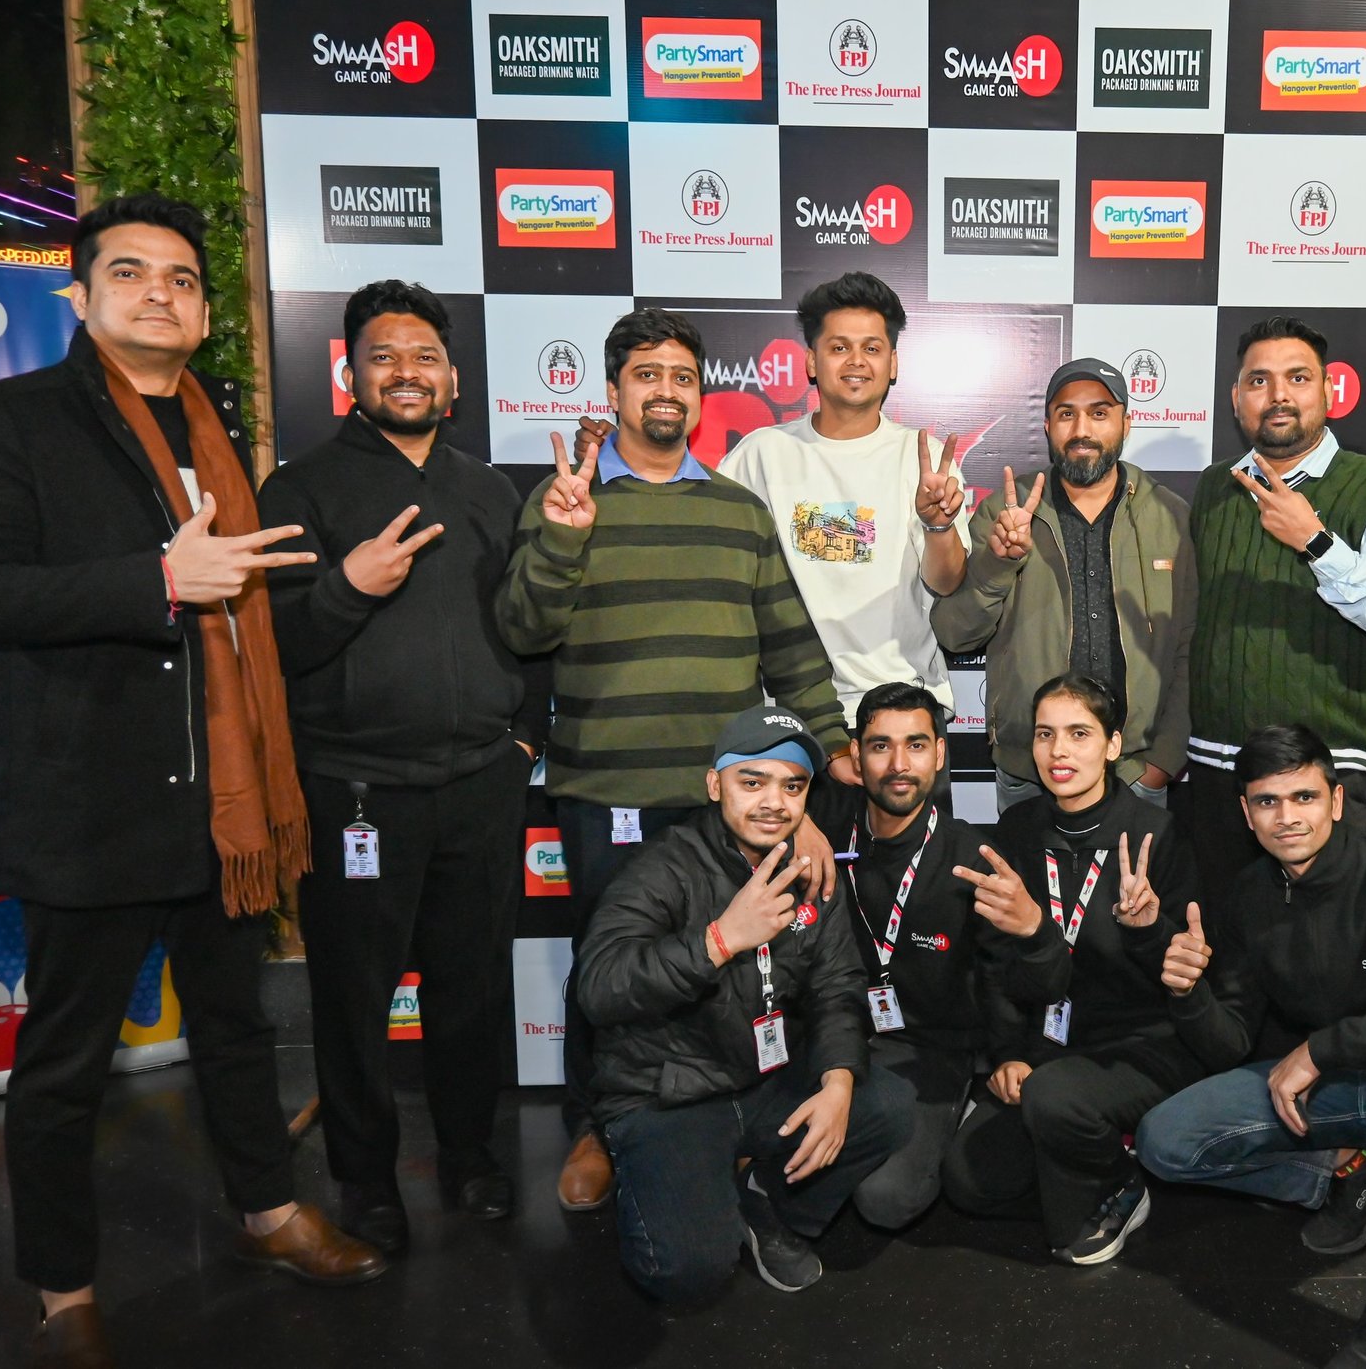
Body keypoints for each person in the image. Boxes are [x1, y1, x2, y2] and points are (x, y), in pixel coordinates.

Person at [0, 193, 385, 1363]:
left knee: (237, 1027)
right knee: (63, 1066)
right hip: (92, 801)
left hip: (223, 804)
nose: (160, 291)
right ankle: (63, 1287)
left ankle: (268, 1212)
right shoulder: (12, 419)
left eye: (182, 278)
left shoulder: (215, 426)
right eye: (131, 271)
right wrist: (158, 579)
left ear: (204, 314)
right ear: (79, 295)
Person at [496, 306, 848, 1214]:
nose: (665, 391)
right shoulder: (567, 499)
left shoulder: (738, 512)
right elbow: (523, 631)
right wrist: (565, 537)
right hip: (607, 789)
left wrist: (820, 775)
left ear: (700, 397)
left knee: (728, 963)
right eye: (646, 374)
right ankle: (598, 1125)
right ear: (613, 391)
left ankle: (717, 1122)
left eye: (682, 377)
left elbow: (791, 648)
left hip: (727, 799)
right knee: (610, 968)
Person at [257, 280, 549, 1252]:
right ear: (351, 374)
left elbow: (532, 628)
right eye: (384, 356)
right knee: (353, 997)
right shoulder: (299, 490)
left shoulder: (489, 489)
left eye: (424, 356)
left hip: (481, 783)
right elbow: (277, 645)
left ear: (453, 377)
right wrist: (348, 585)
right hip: (356, 792)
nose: (407, 372)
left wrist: (524, 738)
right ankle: (365, 1179)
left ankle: (470, 1155)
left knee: (472, 988)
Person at [1136, 725, 1366, 1369]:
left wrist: (1320, 1050)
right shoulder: (1249, 895)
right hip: (1343, 1091)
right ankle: (1345, 1167)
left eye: (1303, 797)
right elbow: (1229, 1042)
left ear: (1336, 801)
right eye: (1267, 801)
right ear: (1246, 812)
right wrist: (1188, 991)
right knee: (1165, 1140)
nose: (1287, 817)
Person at [573, 707, 913, 1300]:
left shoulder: (807, 870)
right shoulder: (660, 867)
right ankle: (658, 1177)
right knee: (688, 1272)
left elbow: (837, 986)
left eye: (792, 786)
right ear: (715, 785)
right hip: (669, 1092)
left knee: (885, 1104)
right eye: (752, 782)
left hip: (762, 1080)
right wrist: (721, 939)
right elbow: (599, 987)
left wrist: (837, 1082)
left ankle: (767, 1202)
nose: (773, 802)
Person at [575, 273, 965, 732]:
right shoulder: (761, 454)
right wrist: (619, 451)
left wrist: (938, 525)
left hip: (902, 710)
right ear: (811, 361)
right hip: (787, 713)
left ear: (893, 363)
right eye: (839, 347)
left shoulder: (924, 459)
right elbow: (693, 523)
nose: (856, 361)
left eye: (872, 348)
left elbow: (946, 583)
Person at [941, 674, 1209, 1265]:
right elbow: (996, 961)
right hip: (1049, 1048)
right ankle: (1079, 1151)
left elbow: (1179, 979)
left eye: (1079, 734)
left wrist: (1146, 931)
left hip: (1137, 1047)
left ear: (1113, 745)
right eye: (1046, 734)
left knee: (1063, 1217)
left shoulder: (1155, 835)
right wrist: (1009, 1054)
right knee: (968, 1182)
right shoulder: (1017, 830)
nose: (1059, 751)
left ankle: (1118, 1177)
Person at [1186, 318, 1366, 913]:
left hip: (1327, 773)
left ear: (1327, 390)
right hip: (1218, 768)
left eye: (1297, 378)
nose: (1278, 395)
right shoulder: (1214, 487)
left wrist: (1317, 543)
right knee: (1226, 940)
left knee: (1328, 942)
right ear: (1236, 398)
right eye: (1259, 381)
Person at [806, 681, 1071, 1228]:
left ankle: (954, 1110)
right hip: (835, 1037)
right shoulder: (823, 834)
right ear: (855, 754)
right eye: (880, 746)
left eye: (916, 745)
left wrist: (1009, 1054)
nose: (899, 765)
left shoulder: (972, 858)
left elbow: (1001, 974)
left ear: (941, 753)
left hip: (929, 1051)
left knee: (886, 1200)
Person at [931, 358, 1196, 811]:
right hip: (1029, 772)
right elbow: (956, 634)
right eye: (1066, 414)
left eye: (1099, 413)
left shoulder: (1168, 515)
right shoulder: (1004, 512)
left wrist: (1164, 760)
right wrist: (998, 564)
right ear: (1047, 425)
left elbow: (1189, 644)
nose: (1081, 430)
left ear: (1126, 424)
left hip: (1134, 771)